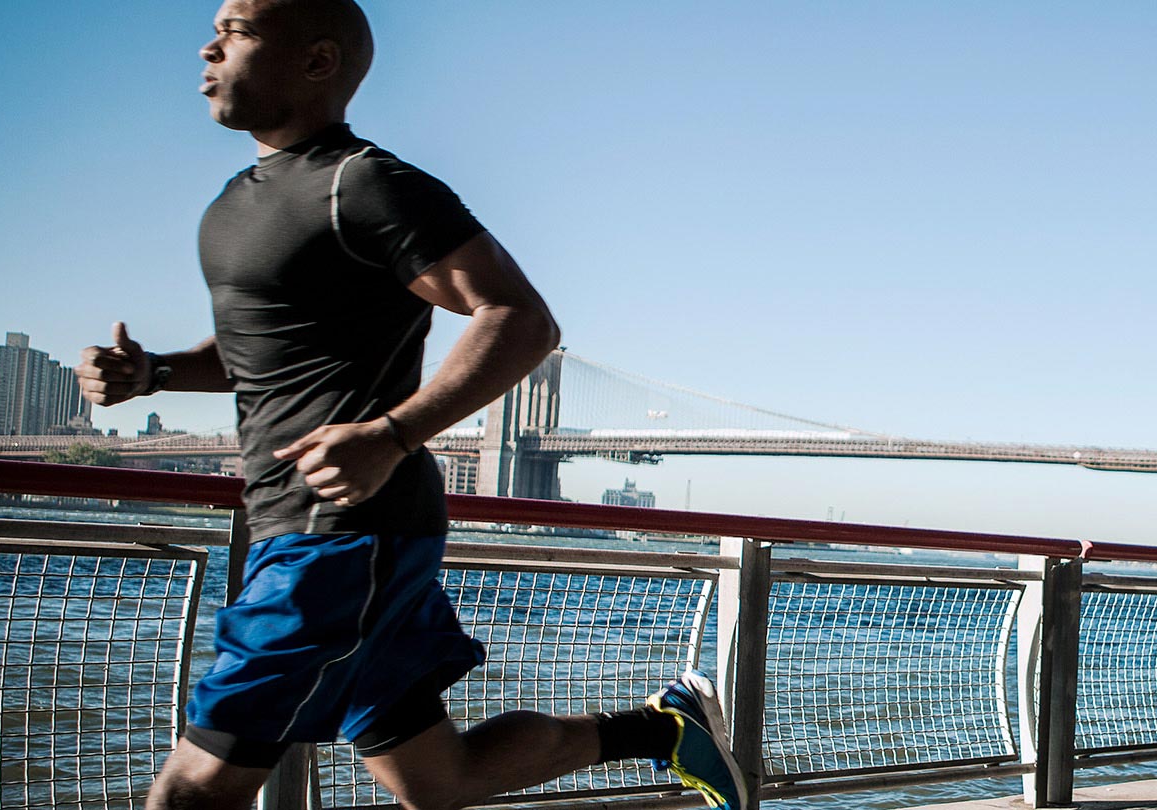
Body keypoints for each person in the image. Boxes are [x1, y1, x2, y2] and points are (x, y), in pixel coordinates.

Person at [73, 2, 746, 808]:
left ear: (319, 62)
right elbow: (263, 354)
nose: (207, 43)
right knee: (438, 779)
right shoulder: (232, 204)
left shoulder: (364, 185)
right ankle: (662, 728)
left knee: (191, 791)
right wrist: (151, 373)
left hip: (339, 542)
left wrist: (392, 434)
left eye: (240, 29)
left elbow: (520, 318)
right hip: (306, 529)